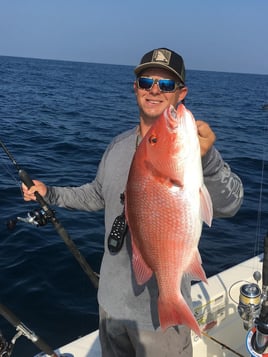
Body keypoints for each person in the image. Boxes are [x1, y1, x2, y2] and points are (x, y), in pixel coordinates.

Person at [23, 48, 244, 357]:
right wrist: (52, 194)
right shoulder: (117, 146)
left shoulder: (196, 151)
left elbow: (230, 204)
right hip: (111, 310)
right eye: (146, 81)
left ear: (181, 93)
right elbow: (97, 194)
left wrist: (207, 160)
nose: (154, 90)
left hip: (161, 321)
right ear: (136, 87)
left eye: (166, 85)